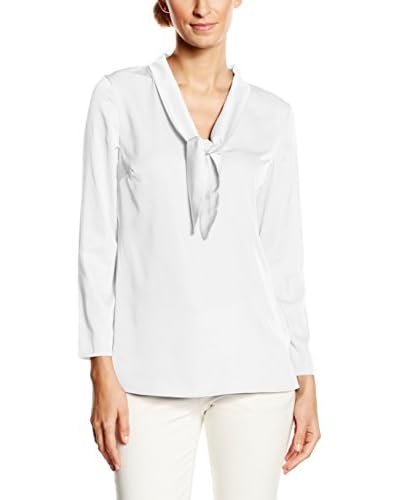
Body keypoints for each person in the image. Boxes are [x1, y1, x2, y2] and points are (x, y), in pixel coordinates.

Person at [77, 1, 321, 499]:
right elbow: (97, 243)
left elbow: (283, 257)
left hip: (257, 374)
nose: (203, 7)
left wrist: (304, 372)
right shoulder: (119, 98)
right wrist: (100, 366)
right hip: (146, 376)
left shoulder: (272, 115)